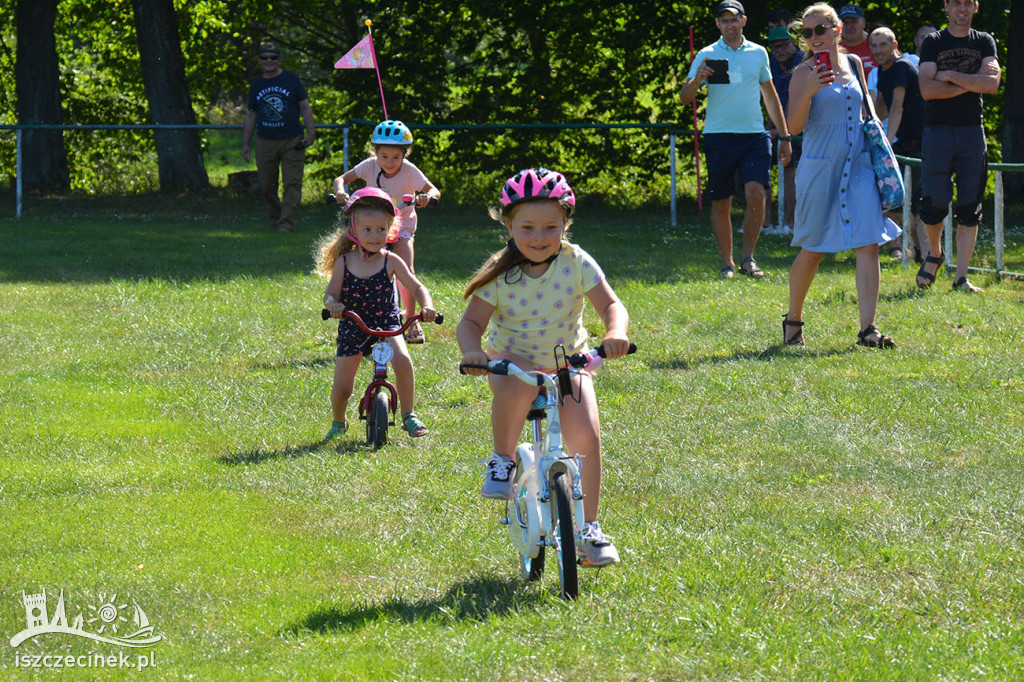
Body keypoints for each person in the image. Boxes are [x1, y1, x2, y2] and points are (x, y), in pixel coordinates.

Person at [457, 168, 630, 567]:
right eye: (528, 227)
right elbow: (470, 324)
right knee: (519, 382)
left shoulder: (576, 261)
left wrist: (616, 330)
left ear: (566, 224)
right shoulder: (501, 272)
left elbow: (610, 305)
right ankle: (502, 460)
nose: (539, 237)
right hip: (512, 364)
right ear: (508, 224)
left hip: (567, 362)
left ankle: (589, 528)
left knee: (585, 436)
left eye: (551, 227)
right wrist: (473, 353)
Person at [782, 3, 901, 348]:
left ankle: (868, 330)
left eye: (820, 30)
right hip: (820, 168)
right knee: (814, 249)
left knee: (868, 243)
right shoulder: (803, 72)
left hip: (859, 163)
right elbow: (793, 126)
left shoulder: (852, 63)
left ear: (836, 30)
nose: (814, 37)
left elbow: (866, 110)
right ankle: (793, 320)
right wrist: (809, 92)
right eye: (807, 32)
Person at [680, 0, 792, 279]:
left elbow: (770, 95)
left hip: (754, 135)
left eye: (734, 19)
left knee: (756, 193)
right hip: (718, 136)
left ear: (744, 21)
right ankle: (727, 263)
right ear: (718, 24)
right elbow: (684, 98)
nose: (730, 24)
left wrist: (786, 136)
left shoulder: (759, 52)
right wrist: (698, 79)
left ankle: (748, 259)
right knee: (722, 201)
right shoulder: (706, 54)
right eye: (724, 20)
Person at [314, 187, 437, 441]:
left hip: (387, 323)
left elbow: (416, 286)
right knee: (343, 386)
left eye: (381, 229)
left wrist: (427, 306)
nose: (374, 235)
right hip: (353, 324)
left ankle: (409, 415)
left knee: (403, 360)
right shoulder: (345, 261)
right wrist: (333, 305)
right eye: (367, 230)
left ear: (391, 230)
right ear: (354, 231)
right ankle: (339, 421)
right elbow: (330, 295)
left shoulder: (391, 260)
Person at [916, 0, 1000, 293]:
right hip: (937, 132)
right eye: (956, 3)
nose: (962, 8)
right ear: (947, 7)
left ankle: (961, 277)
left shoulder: (985, 41)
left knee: (969, 205)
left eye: (968, 3)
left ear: (976, 6)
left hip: (971, 132)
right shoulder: (933, 42)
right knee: (934, 201)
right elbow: (927, 89)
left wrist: (949, 75)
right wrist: (973, 80)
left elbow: (992, 85)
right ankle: (935, 253)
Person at [332, 120, 441, 343]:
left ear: (404, 155)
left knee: (406, 269)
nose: (389, 162)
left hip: (402, 226)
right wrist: (341, 192)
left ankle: (411, 320)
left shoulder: (410, 171)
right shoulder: (369, 166)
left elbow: (433, 189)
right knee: (357, 266)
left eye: (396, 157)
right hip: (372, 226)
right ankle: (357, 317)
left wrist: (427, 197)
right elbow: (341, 179)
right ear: (376, 153)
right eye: (384, 156)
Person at [242, 42, 316, 234]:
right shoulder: (257, 85)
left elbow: (305, 107)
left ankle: (286, 224)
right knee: (267, 185)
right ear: (260, 61)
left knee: (292, 182)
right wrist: (245, 144)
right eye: (265, 58)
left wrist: (311, 133)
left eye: (273, 58)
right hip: (265, 140)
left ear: (279, 60)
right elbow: (250, 115)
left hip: (292, 139)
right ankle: (276, 217)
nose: (269, 61)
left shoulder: (291, 80)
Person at [870, 26, 927, 260]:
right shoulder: (883, 71)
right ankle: (923, 252)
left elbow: (897, 107)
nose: (877, 50)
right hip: (904, 143)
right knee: (898, 205)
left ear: (894, 45)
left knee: (910, 205)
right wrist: (865, 128)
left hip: (920, 144)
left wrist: (886, 144)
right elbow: (882, 107)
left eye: (883, 44)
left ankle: (927, 253)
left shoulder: (902, 66)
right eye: (873, 46)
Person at [767, 24, 803, 232]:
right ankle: (768, 222)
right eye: (775, 47)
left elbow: (792, 98)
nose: (779, 50)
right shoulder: (773, 63)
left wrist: (783, 132)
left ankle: (791, 222)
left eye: (783, 45)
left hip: (802, 125)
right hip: (781, 123)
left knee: (791, 168)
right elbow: (773, 97)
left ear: (794, 43)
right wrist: (769, 128)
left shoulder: (800, 62)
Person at [837, 4, 878, 75]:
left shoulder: (878, 44)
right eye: (845, 23)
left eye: (854, 22)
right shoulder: (836, 50)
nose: (849, 27)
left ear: (863, 23)